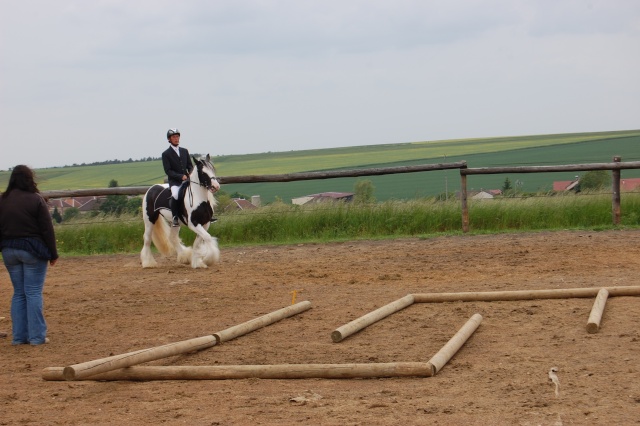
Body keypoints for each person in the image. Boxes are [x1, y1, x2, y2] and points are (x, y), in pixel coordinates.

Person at [0, 165, 58, 345]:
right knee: (33, 292)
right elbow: (47, 229)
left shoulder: (2, 200)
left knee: (19, 293)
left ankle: (19, 337)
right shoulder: (36, 200)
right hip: (32, 250)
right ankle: (36, 337)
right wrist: (53, 253)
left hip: (9, 251)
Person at [161, 128, 194, 226]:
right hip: (175, 182)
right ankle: (175, 217)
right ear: (169, 139)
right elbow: (168, 171)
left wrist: (190, 173)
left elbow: (190, 165)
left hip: (187, 180)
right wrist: (180, 176)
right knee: (175, 195)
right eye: (174, 137)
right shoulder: (166, 154)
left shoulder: (184, 151)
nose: (176, 138)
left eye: (177, 136)